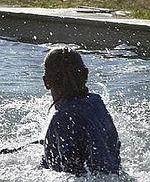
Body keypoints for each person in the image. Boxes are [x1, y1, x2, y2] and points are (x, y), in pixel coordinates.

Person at [41, 47, 121, 176]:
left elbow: (73, 174)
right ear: (85, 75)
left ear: (46, 82)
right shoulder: (96, 103)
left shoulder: (64, 118)